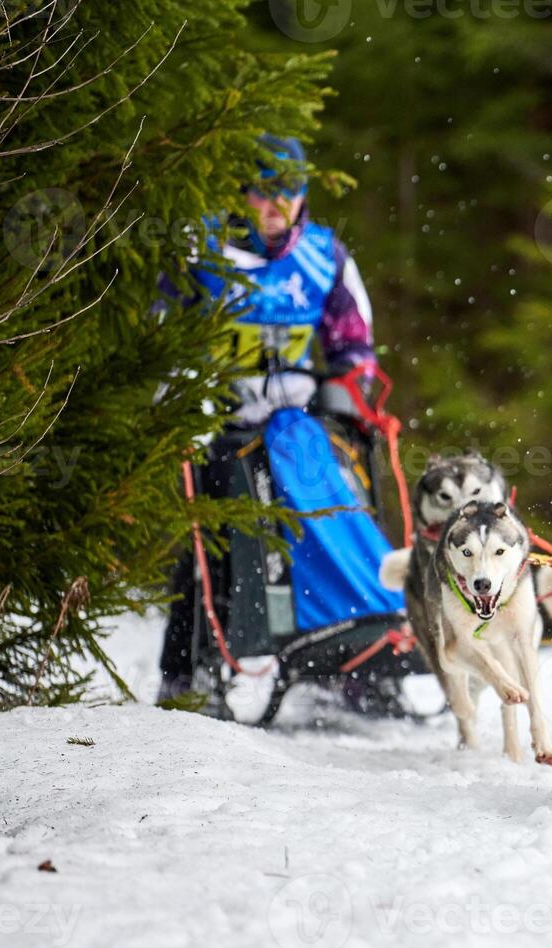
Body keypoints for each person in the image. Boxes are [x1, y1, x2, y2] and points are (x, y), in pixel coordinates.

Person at [158, 135, 378, 701]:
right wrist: (181, 395)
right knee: (211, 543)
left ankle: (360, 648)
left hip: (296, 423)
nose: (279, 205)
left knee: (334, 508)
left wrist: (356, 391)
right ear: (243, 194)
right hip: (217, 422)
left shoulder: (324, 255)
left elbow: (354, 345)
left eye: (291, 191)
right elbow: (160, 335)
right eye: (265, 192)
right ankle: (185, 672)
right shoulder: (202, 251)